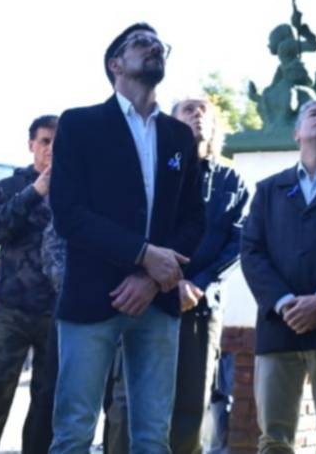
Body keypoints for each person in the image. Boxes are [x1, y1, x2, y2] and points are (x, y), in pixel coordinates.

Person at [48, 23, 205, 454]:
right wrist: (141, 255)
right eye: (141, 42)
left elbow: (194, 219)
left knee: (154, 437)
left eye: (159, 44)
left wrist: (153, 277)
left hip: (159, 299)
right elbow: (69, 213)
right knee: (74, 432)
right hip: (93, 295)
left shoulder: (179, 137)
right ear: (115, 63)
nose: (154, 47)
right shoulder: (80, 124)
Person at [104, 97, 250, 454]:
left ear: (215, 128)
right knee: (128, 402)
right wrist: (161, 279)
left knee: (191, 405)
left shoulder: (232, 180)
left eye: (205, 112)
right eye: (188, 109)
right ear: (169, 124)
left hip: (198, 307)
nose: (198, 115)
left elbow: (239, 242)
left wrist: (196, 284)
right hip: (146, 299)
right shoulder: (148, 170)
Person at [241, 98, 316, 454]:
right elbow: (251, 252)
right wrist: (283, 302)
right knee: (273, 440)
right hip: (279, 327)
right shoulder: (268, 190)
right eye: (313, 113)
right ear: (296, 133)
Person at [0, 116, 61, 454]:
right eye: (45, 141)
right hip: (11, 309)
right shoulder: (9, 186)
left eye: (58, 142)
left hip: (57, 313)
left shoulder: (77, 190)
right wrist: (34, 193)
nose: (51, 149)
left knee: (47, 406)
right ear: (31, 144)